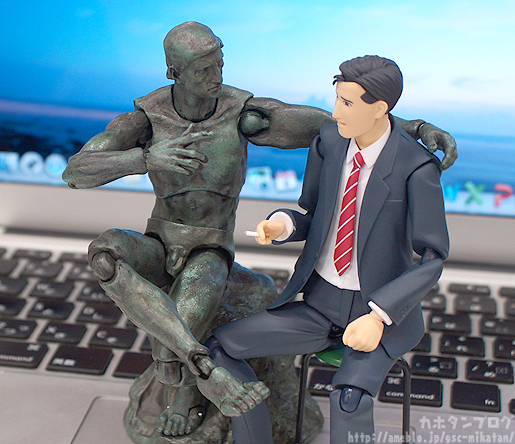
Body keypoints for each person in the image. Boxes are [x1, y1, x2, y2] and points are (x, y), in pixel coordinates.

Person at [63, 21, 455, 438]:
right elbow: (76, 172)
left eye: (219, 64)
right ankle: (205, 372)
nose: (215, 77)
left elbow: (335, 121)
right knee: (105, 252)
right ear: (173, 72)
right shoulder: (146, 119)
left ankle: (187, 386)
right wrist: (144, 159)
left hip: (208, 247)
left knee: (188, 314)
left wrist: (413, 128)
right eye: (202, 69)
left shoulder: (244, 115)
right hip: (159, 241)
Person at [209, 55, 450, 443]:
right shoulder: (329, 144)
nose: (336, 112)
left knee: (349, 399)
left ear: (379, 108)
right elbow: (313, 214)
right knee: (220, 348)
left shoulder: (416, 167)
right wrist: (283, 225)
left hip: (377, 312)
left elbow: (433, 258)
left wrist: (379, 316)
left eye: (348, 103)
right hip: (319, 304)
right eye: (337, 99)